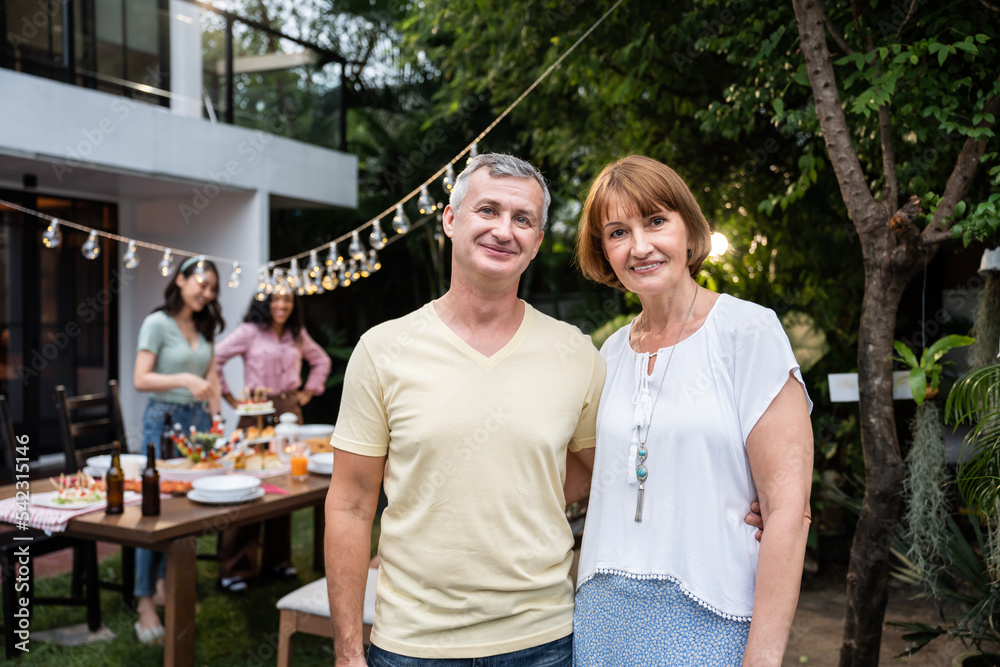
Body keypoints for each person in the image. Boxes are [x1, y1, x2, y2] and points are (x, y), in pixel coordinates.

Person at [325, 153, 606, 666]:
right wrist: (347, 652)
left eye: (523, 220)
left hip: (542, 640)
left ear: (538, 243)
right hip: (413, 643)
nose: (505, 230)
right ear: (451, 221)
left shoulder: (576, 354)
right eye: (488, 210)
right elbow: (349, 504)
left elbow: (597, 471)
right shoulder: (382, 349)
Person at [572, 155, 813, 665]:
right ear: (604, 252)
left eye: (656, 221)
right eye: (617, 232)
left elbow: (788, 511)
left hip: (712, 613)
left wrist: (763, 659)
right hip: (602, 619)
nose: (640, 246)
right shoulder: (608, 354)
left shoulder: (748, 332)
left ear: (687, 229)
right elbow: (583, 476)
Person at [132, 255, 224, 643]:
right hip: (164, 423)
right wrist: (183, 378)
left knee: (186, 509)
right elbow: (140, 379)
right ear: (182, 280)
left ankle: (169, 587)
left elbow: (212, 376)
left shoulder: (204, 326)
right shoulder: (157, 323)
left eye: (213, 289)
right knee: (154, 510)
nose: (207, 293)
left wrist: (218, 421)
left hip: (199, 425)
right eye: (202, 283)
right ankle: (144, 601)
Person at [214, 290, 332, 591]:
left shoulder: (297, 334)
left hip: (290, 413)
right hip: (254, 413)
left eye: (287, 300)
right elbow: (216, 357)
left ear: (294, 305)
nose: (281, 305)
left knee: (285, 485)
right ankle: (235, 568)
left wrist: (309, 391)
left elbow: (321, 361)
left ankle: (277, 560)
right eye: (275, 299)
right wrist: (229, 397)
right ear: (263, 302)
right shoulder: (249, 331)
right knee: (249, 482)